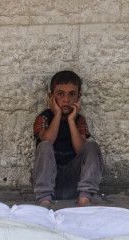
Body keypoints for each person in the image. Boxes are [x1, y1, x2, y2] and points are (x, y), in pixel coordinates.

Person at [33, 70, 103, 208]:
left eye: (72, 94)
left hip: (75, 183)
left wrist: (71, 120)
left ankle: (84, 199)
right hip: (50, 182)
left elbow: (80, 149)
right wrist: (57, 114)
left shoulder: (79, 120)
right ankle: (45, 201)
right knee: (44, 145)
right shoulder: (44, 117)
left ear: (78, 97)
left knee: (92, 146)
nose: (66, 100)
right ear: (51, 97)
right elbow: (47, 140)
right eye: (60, 94)